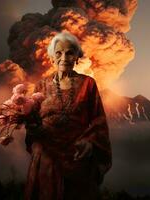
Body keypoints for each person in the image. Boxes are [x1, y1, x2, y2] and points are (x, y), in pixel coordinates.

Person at [24, 32, 112, 200]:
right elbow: (32, 123)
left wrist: (90, 142)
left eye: (70, 52)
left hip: (77, 159)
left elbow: (98, 121)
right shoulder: (41, 86)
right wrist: (32, 129)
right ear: (51, 58)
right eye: (58, 52)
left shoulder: (88, 84)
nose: (64, 57)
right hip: (46, 160)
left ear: (77, 57)